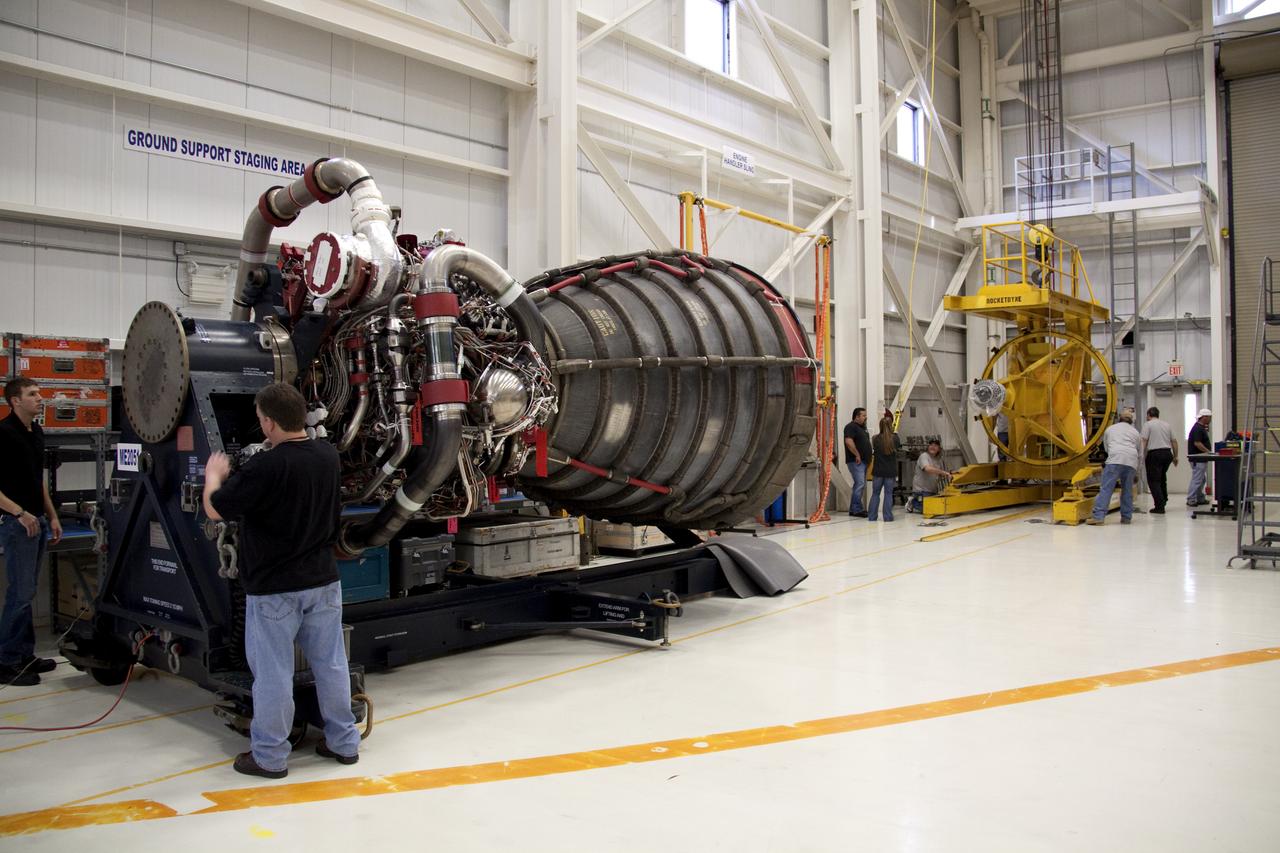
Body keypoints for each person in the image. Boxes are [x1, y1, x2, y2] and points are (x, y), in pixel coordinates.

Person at [204, 382, 360, 778]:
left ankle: (270, 757)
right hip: (323, 581)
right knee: (332, 664)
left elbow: (216, 510)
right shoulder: (328, 456)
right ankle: (344, 743)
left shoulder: (265, 466)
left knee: (273, 672)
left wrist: (213, 476)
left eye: (261, 421)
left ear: (270, 423)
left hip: (275, 589)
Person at [0, 378, 63, 687]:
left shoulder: (35, 432)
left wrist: (51, 516)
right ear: (15, 401)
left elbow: (37, 480)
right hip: (16, 524)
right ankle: (6, 660)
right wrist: (20, 513)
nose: (41, 398)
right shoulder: (3, 433)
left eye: (39, 393)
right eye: (33, 394)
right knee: (20, 593)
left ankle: (24, 655)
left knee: (27, 593)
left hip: (36, 520)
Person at [1087, 409, 1142, 525]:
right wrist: (1137, 471)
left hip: (1115, 459)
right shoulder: (1135, 432)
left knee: (1107, 488)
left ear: (1119, 419)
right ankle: (1126, 517)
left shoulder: (1110, 429)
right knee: (1127, 490)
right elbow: (1139, 451)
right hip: (1131, 461)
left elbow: (1106, 448)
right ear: (1131, 421)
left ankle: (1098, 517)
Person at [1140, 406, 1178, 515]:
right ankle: (1163, 500)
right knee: (1161, 478)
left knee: (1153, 481)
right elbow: (1174, 441)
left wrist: (1141, 456)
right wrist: (1175, 456)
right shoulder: (1167, 425)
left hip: (1155, 454)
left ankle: (1159, 506)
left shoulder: (1148, 425)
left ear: (1148, 415)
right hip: (1167, 454)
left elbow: (1144, 441)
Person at [867, 416, 901, 523]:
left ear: (880, 426)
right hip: (890, 471)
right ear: (890, 426)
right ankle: (887, 517)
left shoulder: (875, 438)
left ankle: (872, 517)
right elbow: (898, 448)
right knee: (888, 494)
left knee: (875, 494)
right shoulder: (895, 438)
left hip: (878, 471)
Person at [906, 439, 952, 513]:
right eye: (931, 445)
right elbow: (927, 469)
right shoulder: (924, 456)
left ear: (939, 449)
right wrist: (943, 473)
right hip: (921, 490)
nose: (933, 447)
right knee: (928, 510)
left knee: (938, 508)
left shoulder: (938, 460)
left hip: (932, 491)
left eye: (935, 445)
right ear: (928, 447)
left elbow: (938, 474)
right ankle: (912, 502)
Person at [843, 407, 872, 517]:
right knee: (859, 484)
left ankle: (856, 508)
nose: (865, 417)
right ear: (857, 416)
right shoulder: (850, 427)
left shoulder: (862, 428)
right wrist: (857, 454)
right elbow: (849, 442)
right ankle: (856, 509)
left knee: (861, 484)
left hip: (864, 462)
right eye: (863, 415)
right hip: (856, 461)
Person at [1187, 408, 1212, 507]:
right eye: (1209, 417)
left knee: (1202, 479)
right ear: (1204, 417)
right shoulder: (1198, 428)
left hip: (1200, 459)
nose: (1210, 419)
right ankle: (1191, 499)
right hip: (1198, 459)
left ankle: (1199, 497)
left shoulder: (1201, 428)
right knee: (1197, 479)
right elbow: (1197, 443)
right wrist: (1208, 452)